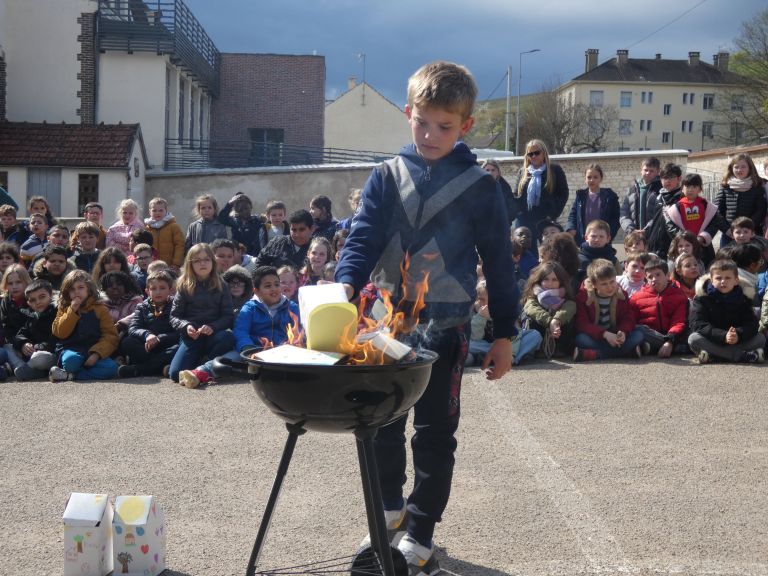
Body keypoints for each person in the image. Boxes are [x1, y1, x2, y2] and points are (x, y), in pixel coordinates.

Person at [335, 61, 518, 572]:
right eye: (422, 122)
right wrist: (344, 289)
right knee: (382, 426)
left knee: (435, 433)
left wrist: (504, 334)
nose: (431, 134)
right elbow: (362, 240)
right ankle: (390, 515)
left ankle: (420, 532)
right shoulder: (386, 176)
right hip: (386, 328)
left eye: (445, 125)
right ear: (408, 114)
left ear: (466, 126)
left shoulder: (482, 187)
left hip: (448, 330)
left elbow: (501, 265)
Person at [168, 243, 235, 385]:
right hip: (192, 336)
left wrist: (213, 326)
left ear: (213, 261)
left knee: (228, 338)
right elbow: (174, 316)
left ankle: (205, 365)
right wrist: (186, 326)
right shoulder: (184, 285)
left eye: (206, 259)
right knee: (175, 374)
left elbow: (228, 316)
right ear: (190, 264)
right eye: (197, 260)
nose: (202, 263)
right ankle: (197, 361)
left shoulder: (222, 285)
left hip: (213, 335)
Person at [689, 258, 765, 364]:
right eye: (718, 278)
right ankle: (741, 356)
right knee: (694, 339)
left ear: (736, 280)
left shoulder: (743, 298)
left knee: (760, 339)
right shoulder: (702, 298)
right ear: (711, 279)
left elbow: (751, 323)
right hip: (714, 340)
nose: (723, 281)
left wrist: (738, 334)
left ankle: (715, 356)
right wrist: (723, 336)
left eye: (728, 278)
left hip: (737, 341)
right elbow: (697, 324)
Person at [49, 269, 120, 381]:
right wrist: (72, 310)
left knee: (111, 368)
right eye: (72, 289)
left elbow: (110, 336)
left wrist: (96, 354)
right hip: (70, 350)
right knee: (71, 361)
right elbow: (59, 332)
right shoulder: (64, 308)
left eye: (80, 287)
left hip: (93, 351)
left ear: (89, 289)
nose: (76, 292)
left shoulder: (100, 309)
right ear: (67, 293)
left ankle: (69, 376)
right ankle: (73, 372)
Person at [573, 258, 644, 362]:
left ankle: (595, 354)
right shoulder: (584, 296)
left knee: (639, 335)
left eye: (612, 282)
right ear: (594, 284)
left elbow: (628, 317)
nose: (610, 287)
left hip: (615, 334)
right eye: (604, 284)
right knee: (580, 339)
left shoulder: (621, 295)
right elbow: (582, 324)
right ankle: (626, 352)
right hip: (596, 336)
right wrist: (605, 334)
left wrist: (623, 332)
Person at [118, 270, 180, 378]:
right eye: (153, 288)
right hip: (147, 346)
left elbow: (179, 332)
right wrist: (147, 335)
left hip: (166, 344)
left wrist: (160, 338)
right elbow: (133, 328)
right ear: (147, 291)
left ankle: (139, 369)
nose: (158, 292)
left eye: (162, 288)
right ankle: (160, 367)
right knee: (127, 342)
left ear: (170, 290)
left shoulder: (176, 306)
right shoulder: (142, 307)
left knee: (179, 347)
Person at [509, 139, 569, 250]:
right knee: (525, 252)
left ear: (544, 153)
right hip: (525, 218)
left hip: (545, 218)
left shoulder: (555, 170)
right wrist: (517, 212)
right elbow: (516, 195)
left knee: (549, 251)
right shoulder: (523, 172)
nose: (533, 156)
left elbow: (563, 194)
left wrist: (553, 213)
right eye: (530, 154)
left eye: (536, 153)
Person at [468, 278, 541, 366]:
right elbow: (475, 337)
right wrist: (481, 317)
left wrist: (511, 354)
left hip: (509, 346)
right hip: (486, 346)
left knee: (534, 335)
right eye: (481, 299)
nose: (484, 303)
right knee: (469, 345)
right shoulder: (474, 310)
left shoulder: (505, 310)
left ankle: (511, 359)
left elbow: (514, 335)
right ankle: (493, 357)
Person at [663, 173, 726, 267]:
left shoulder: (706, 206)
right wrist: (685, 239)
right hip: (683, 247)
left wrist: (703, 237)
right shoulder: (675, 208)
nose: (690, 189)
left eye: (694, 186)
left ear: (700, 189)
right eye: (687, 186)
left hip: (704, 247)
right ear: (682, 188)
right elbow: (670, 226)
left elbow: (714, 224)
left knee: (705, 270)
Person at [629, 257, 688, 358]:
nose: (654, 279)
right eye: (650, 277)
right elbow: (631, 320)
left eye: (658, 274)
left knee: (690, 335)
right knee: (639, 329)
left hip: (673, 336)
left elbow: (678, 322)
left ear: (667, 275)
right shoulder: (636, 297)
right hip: (650, 335)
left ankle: (653, 348)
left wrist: (669, 341)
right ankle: (673, 349)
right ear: (646, 279)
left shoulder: (678, 296)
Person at [521, 261, 577, 358]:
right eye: (546, 279)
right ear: (539, 280)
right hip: (541, 327)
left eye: (554, 280)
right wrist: (549, 321)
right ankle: (538, 349)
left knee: (568, 317)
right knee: (530, 317)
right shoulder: (534, 293)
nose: (550, 283)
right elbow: (531, 307)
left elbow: (570, 306)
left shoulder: (565, 296)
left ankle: (560, 348)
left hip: (557, 331)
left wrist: (556, 320)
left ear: (561, 281)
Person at [714, 153, 766, 243]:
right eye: (736, 167)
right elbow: (717, 210)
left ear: (750, 168)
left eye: (743, 167)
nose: (739, 170)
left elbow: (761, 210)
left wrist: (748, 229)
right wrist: (727, 229)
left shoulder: (757, 186)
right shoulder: (726, 186)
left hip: (752, 234)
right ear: (731, 168)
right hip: (729, 235)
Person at [12, 279, 58, 379]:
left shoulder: (57, 313)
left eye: (42, 297)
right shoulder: (33, 317)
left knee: (39, 357)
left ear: (50, 296)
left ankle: (28, 370)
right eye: (33, 300)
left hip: (50, 354)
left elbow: (56, 339)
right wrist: (24, 344)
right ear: (28, 303)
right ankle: (34, 371)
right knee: (8, 347)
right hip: (32, 354)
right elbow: (20, 335)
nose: (38, 302)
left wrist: (37, 348)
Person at [566, 163, 620, 246]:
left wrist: (608, 235)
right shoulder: (580, 196)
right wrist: (571, 228)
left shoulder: (610, 197)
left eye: (595, 177)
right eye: (589, 177)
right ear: (585, 179)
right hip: (582, 241)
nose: (592, 180)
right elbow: (573, 215)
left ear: (601, 179)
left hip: (602, 241)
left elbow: (615, 219)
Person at [0, 264, 33, 380]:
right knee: (7, 348)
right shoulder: (5, 302)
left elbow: (35, 326)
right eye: (10, 283)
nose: (14, 286)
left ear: (26, 282)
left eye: (18, 282)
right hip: (13, 343)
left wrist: (24, 344)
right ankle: (20, 368)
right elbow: (7, 328)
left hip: (31, 343)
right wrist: (18, 345)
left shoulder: (33, 299)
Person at [645, 163, 684, 258]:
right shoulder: (658, 197)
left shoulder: (682, 198)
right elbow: (654, 221)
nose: (667, 181)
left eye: (671, 177)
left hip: (673, 247)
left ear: (679, 179)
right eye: (664, 178)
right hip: (655, 247)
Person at [619, 156, 662, 234]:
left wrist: (646, 230)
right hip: (633, 237)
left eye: (652, 171)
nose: (648, 173)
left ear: (658, 171)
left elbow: (660, 215)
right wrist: (630, 229)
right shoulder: (632, 190)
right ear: (641, 170)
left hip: (654, 236)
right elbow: (624, 213)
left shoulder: (660, 190)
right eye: (645, 170)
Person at [217, 192, 265, 257]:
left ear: (250, 206)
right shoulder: (234, 221)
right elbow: (221, 218)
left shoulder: (258, 220)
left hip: (255, 255)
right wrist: (230, 204)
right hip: (239, 255)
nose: (244, 211)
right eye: (241, 210)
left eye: (246, 208)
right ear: (236, 210)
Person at [145, 197, 184, 270]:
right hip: (152, 266)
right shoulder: (147, 228)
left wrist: (176, 263)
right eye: (154, 210)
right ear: (150, 212)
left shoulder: (173, 226)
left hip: (169, 265)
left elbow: (180, 245)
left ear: (166, 211)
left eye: (161, 210)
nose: (157, 213)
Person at [576, 219, 618, 284]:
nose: (597, 239)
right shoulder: (577, 259)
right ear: (586, 238)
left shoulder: (613, 261)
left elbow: (618, 282)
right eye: (593, 236)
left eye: (601, 236)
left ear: (608, 239)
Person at [481, 159, 515, 225]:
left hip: (501, 225)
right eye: (487, 170)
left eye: (493, 170)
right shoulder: (478, 188)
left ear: (498, 172)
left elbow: (512, 209)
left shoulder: (505, 187)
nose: (490, 173)